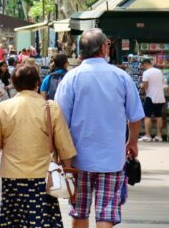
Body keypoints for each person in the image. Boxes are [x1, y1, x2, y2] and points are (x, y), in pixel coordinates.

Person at [56, 29, 144, 228]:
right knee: (106, 215)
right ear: (104, 47)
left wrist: (63, 155)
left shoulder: (71, 78)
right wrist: (132, 142)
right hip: (112, 159)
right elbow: (135, 116)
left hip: (79, 159)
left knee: (79, 212)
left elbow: (60, 120)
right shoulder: (121, 77)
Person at [0, 63, 76, 228]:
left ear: (14, 83)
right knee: (40, 221)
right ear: (37, 83)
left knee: (12, 220)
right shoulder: (50, 107)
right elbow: (65, 146)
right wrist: (68, 172)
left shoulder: (3, 108)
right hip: (43, 177)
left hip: (12, 177)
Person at [138, 57, 165, 141]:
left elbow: (145, 85)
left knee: (147, 116)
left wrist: (141, 87)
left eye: (143, 66)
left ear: (145, 64)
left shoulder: (146, 73)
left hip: (150, 97)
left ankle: (148, 136)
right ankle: (159, 136)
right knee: (159, 116)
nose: (143, 67)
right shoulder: (159, 71)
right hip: (160, 97)